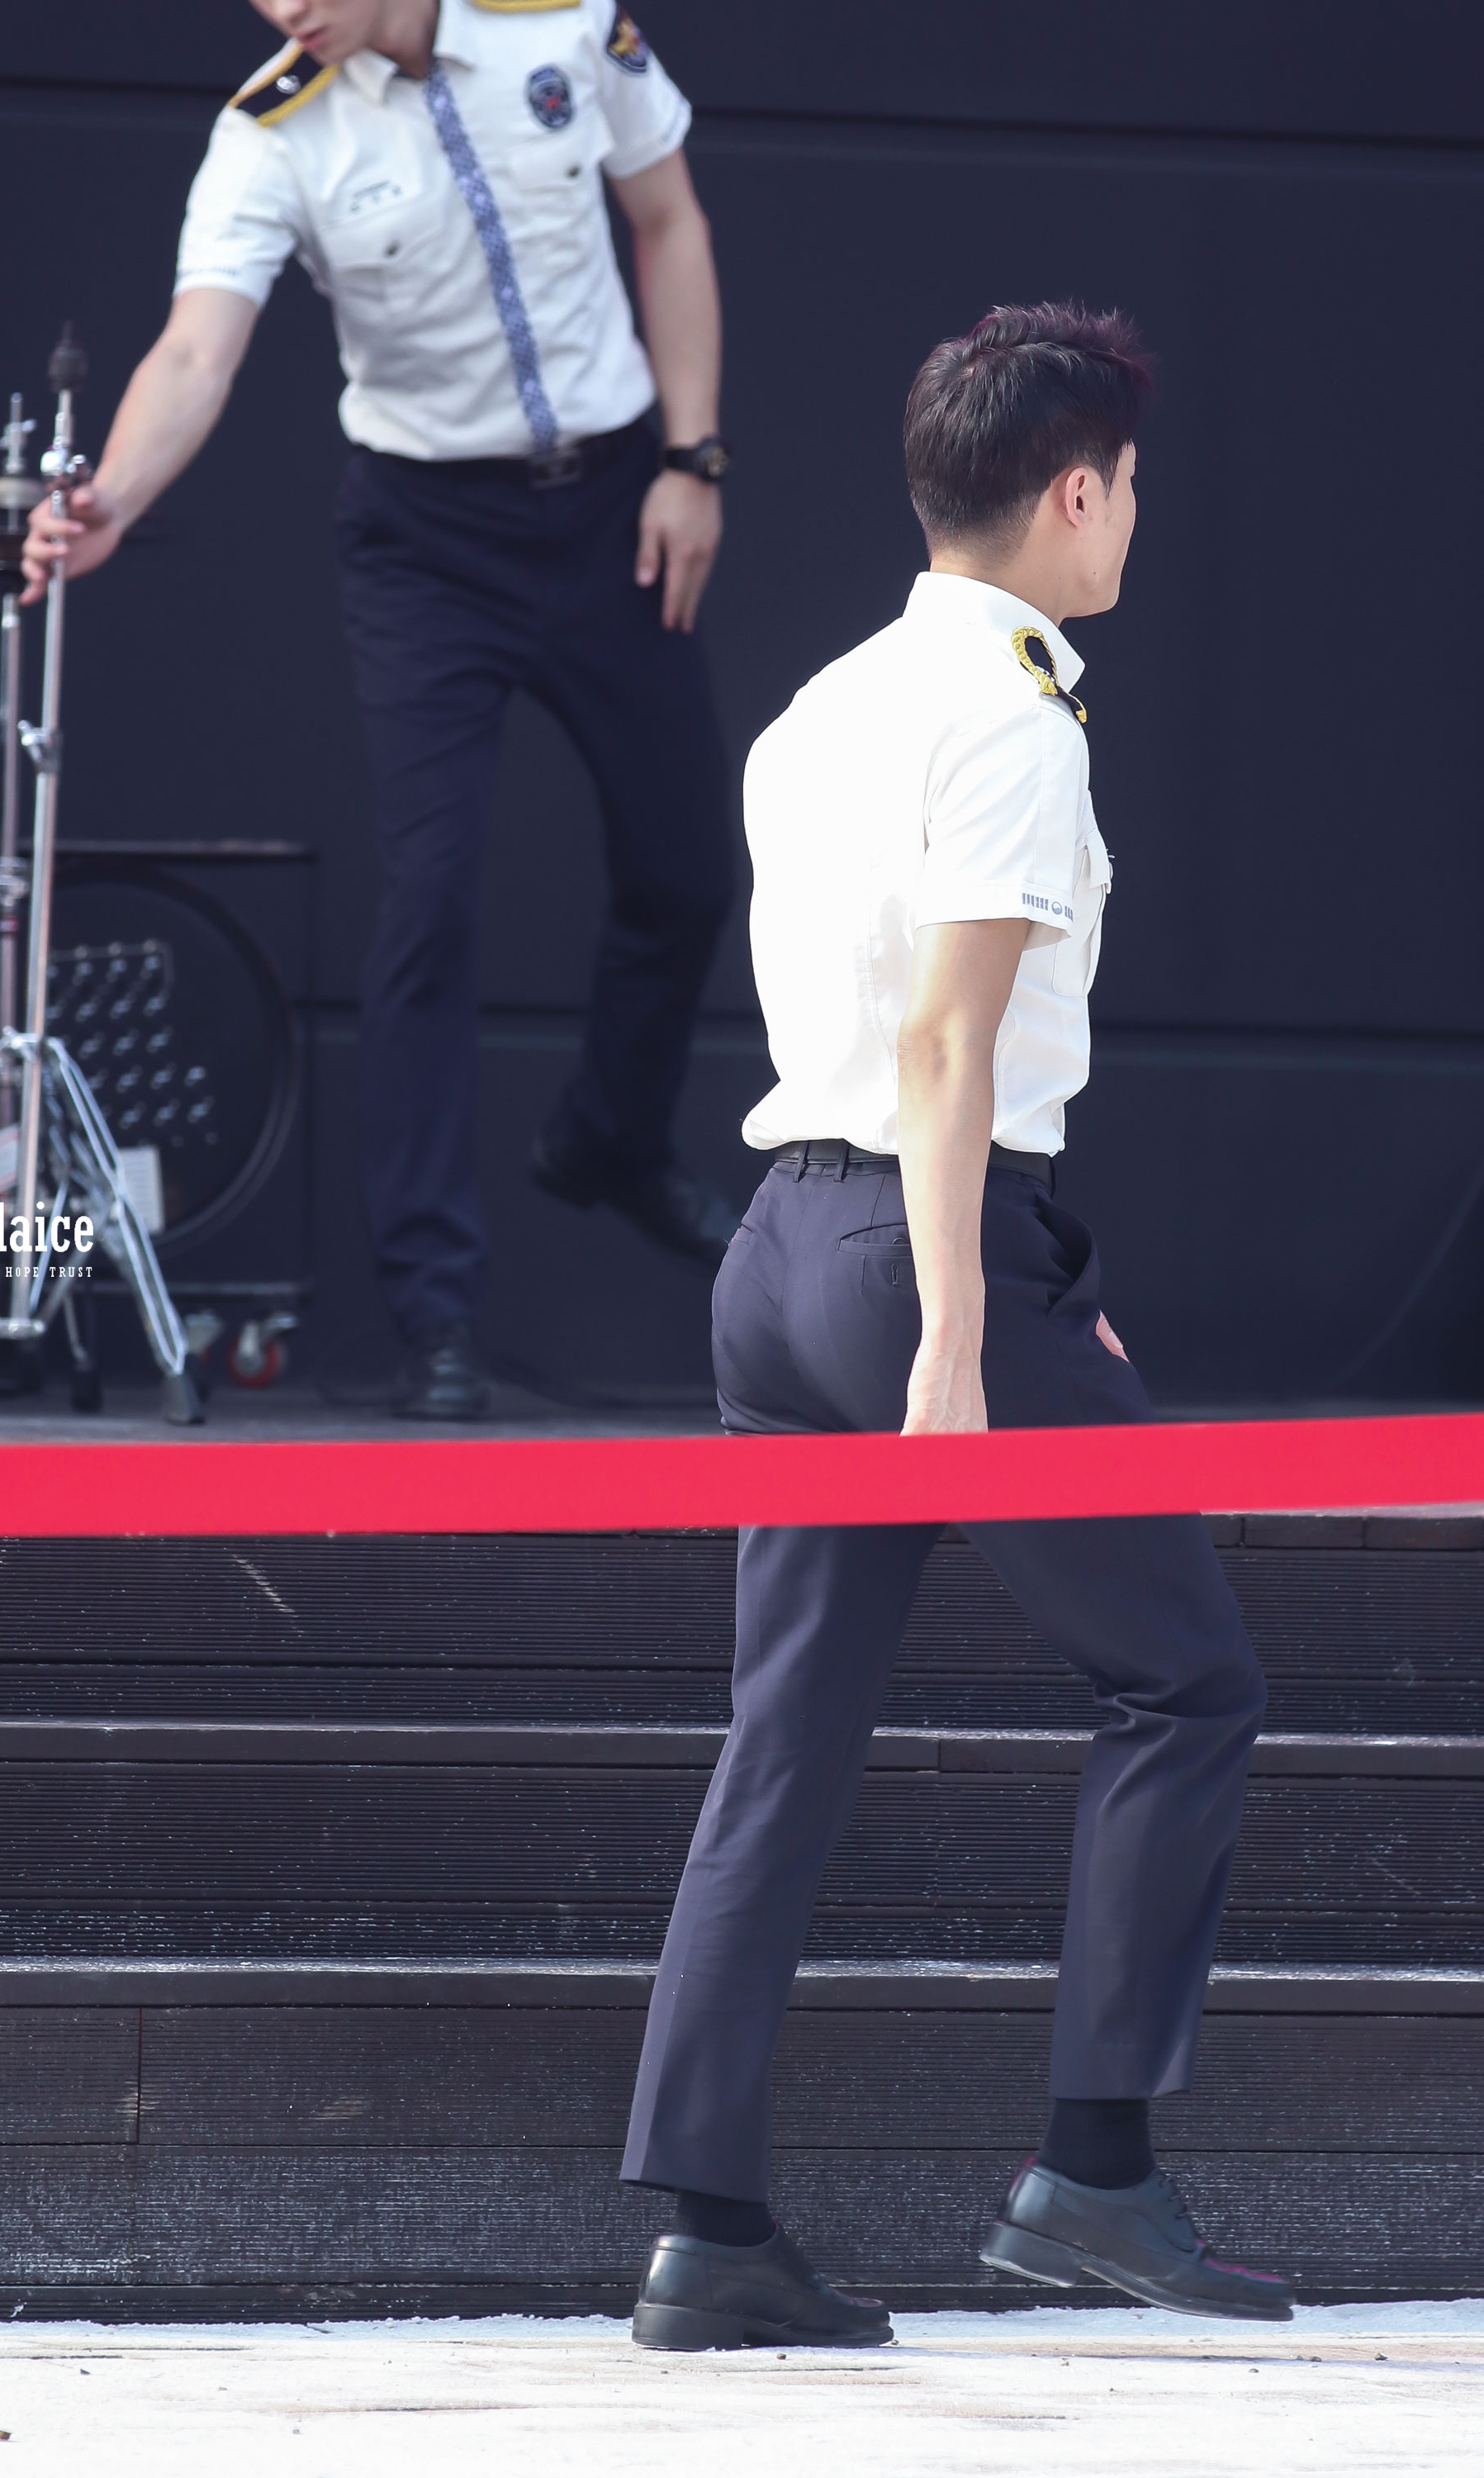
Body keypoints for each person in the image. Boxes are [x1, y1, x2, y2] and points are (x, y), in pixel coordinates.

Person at [619, 302, 1296, 2348]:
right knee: (1188, 1679)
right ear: (1073, 492)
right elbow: (943, 1043)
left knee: (782, 1743)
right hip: (917, 1255)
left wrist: (974, 1301)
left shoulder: (817, 708)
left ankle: (707, 2232)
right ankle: (1093, 2177)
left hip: (779, 1253)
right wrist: (953, 1336)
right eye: (1128, 487)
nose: (1133, 518)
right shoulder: (1012, 719)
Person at [21, 0, 738, 1419]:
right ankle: (436, 1310)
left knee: (689, 867)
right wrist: (113, 497)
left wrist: (691, 459)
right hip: (428, 542)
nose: (285, 6)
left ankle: (612, 1133)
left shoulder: (561, 22)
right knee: (430, 904)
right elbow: (196, 351)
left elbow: (669, 220)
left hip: (610, 509)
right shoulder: (268, 134)